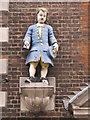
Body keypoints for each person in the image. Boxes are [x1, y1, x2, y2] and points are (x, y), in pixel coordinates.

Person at [23, 7, 58, 84]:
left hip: (45, 49)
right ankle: (31, 76)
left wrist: (55, 43)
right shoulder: (31, 28)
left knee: (45, 65)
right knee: (33, 64)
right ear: (37, 16)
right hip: (35, 49)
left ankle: (43, 78)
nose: (42, 17)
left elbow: (51, 37)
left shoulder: (48, 28)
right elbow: (28, 36)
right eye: (40, 15)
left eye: (44, 16)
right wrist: (26, 41)